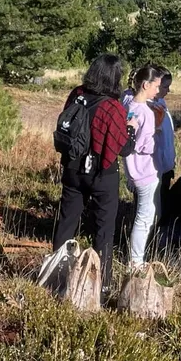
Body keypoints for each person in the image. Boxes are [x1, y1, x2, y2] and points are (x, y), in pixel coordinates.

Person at [53, 54, 136, 293]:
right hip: (102, 173)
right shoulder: (113, 108)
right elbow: (123, 148)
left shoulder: (76, 95)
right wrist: (131, 130)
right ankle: (102, 284)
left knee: (67, 223)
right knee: (104, 230)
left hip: (72, 168)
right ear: (114, 79)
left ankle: (57, 275)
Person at [122, 64, 163, 271]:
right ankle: (136, 261)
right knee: (144, 217)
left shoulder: (129, 106)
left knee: (145, 214)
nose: (158, 90)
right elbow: (145, 145)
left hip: (134, 170)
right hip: (146, 171)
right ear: (145, 85)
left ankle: (138, 256)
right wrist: (157, 132)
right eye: (156, 86)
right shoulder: (145, 112)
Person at [151, 68, 176, 211]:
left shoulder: (161, 104)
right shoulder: (151, 108)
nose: (168, 90)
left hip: (166, 165)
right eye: (165, 86)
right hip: (156, 168)